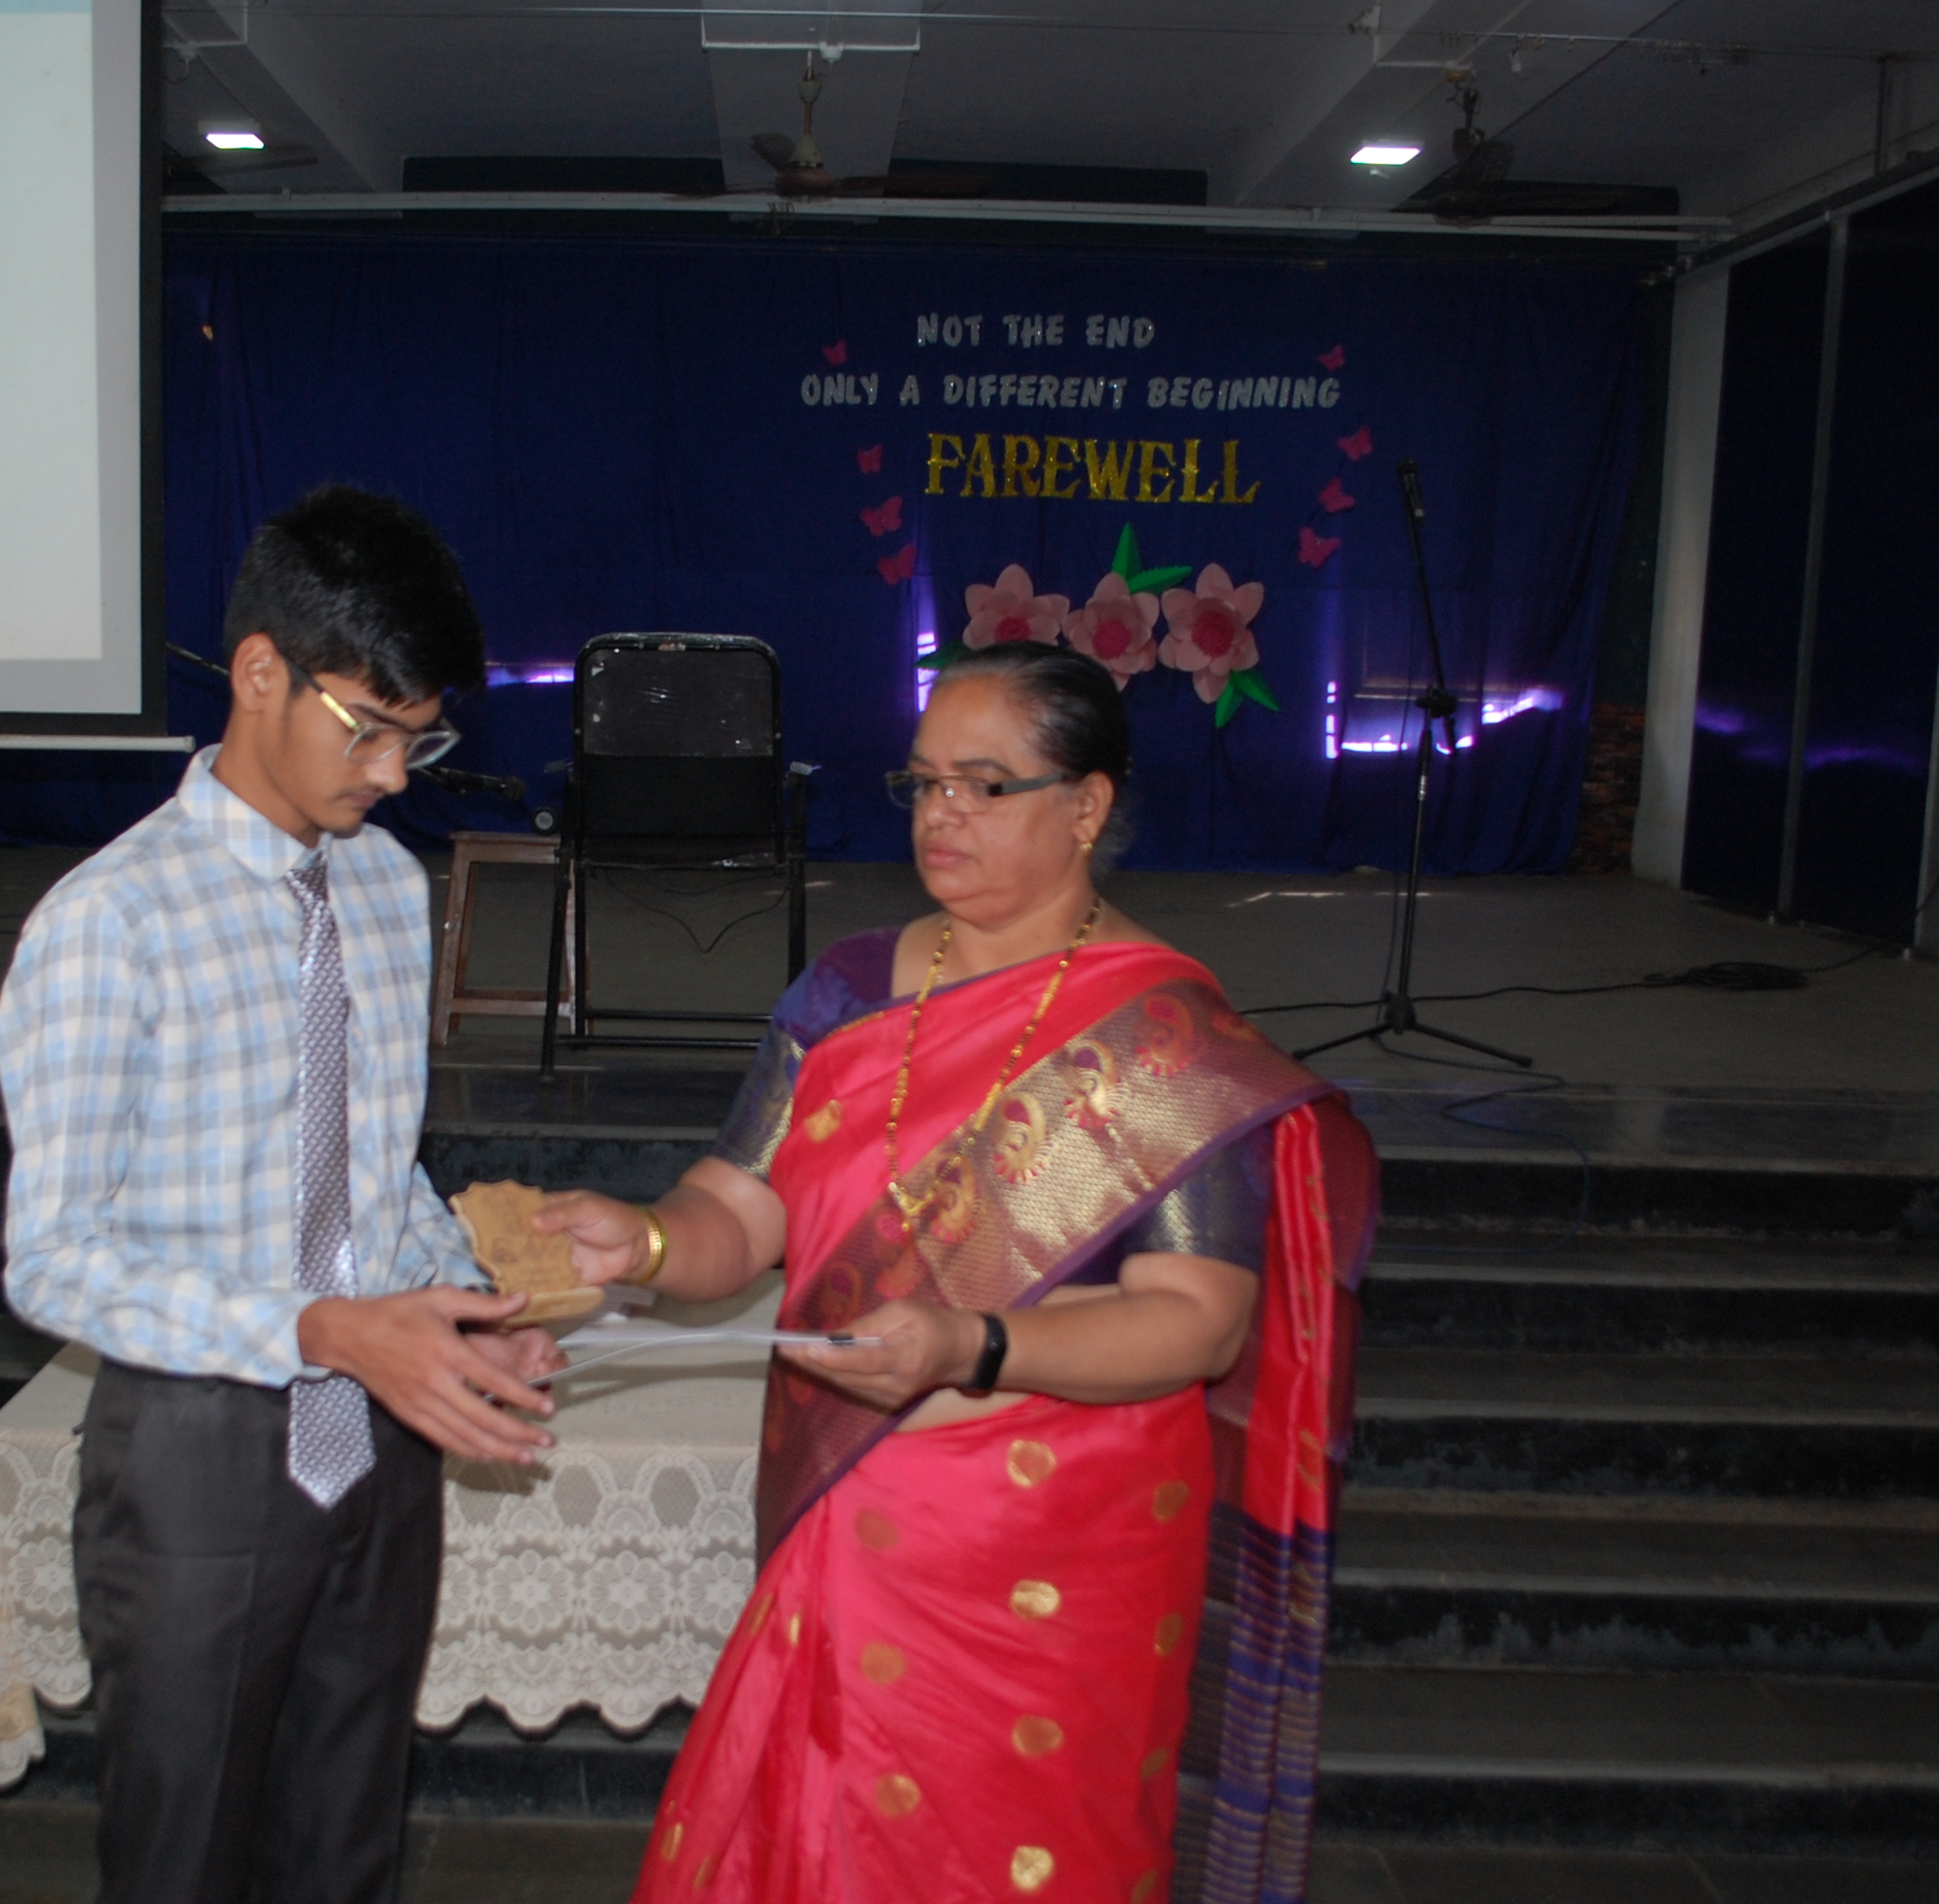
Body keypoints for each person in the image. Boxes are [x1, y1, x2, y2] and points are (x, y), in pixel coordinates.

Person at [540, 643, 1377, 1904]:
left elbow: (1199, 1322)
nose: (942, 814)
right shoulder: (847, 989)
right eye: (924, 782)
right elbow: (738, 1205)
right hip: (855, 1521)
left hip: (1057, 1553)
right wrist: (648, 1242)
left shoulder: (1164, 1040)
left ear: (1086, 806)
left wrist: (972, 1343)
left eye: (985, 786)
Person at [0, 486, 566, 1904]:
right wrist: (318, 1328)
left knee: (344, 1841)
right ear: (261, 673)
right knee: (186, 1854)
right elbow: (53, 1259)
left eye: (420, 738)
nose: (394, 773)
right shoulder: (110, 922)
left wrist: (467, 1311)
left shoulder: (384, 889)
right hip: (202, 1445)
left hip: (381, 1437)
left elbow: (376, 1170)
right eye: (368, 728)